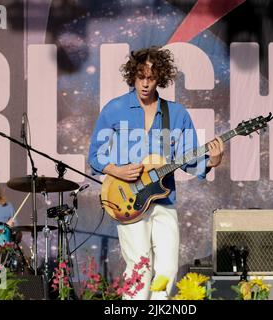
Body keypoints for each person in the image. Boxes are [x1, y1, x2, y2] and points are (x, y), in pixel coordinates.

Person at [88, 46, 224, 299]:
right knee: (140, 266)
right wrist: (117, 170)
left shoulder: (176, 113)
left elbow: (188, 160)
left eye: (151, 78)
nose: (145, 84)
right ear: (133, 76)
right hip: (127, 198)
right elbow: (94, 156)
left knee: (167, 268)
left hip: (164, 198)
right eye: (141, 77)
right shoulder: (115, 109)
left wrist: (213, 160)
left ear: (159, 78)